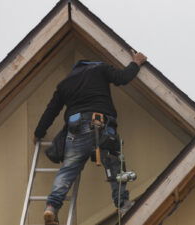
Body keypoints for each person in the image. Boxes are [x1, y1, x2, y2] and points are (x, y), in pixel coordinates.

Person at [34, 49, 147, 225]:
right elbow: (122, 78)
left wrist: (38, 133)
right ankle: (123, 206)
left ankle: (51, 207)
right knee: (113, 166)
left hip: (75, 129)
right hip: (101, 126)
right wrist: (136, 62)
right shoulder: (99, 68)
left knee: (68, 169)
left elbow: (51, 111)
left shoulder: (65, 83)